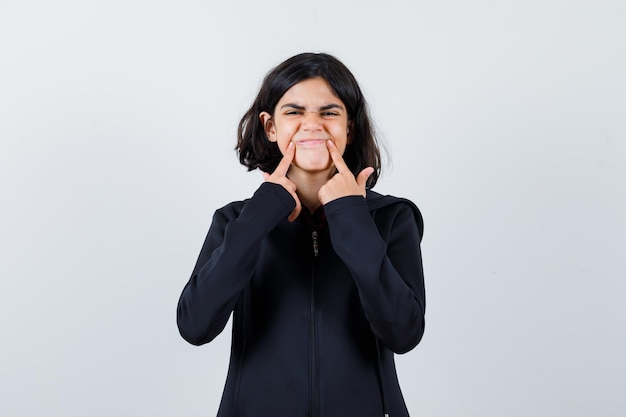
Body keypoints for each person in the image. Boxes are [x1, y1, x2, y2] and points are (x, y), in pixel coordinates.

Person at [177, 52, 426, 417]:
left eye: (329, 112)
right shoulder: (236, 221)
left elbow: (403, 333)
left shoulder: (391, 218)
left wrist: (350, 217)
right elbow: (195, 325)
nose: (313, 124)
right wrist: (260, 217)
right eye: (294, 112)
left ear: (350, 127)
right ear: (270, 126)